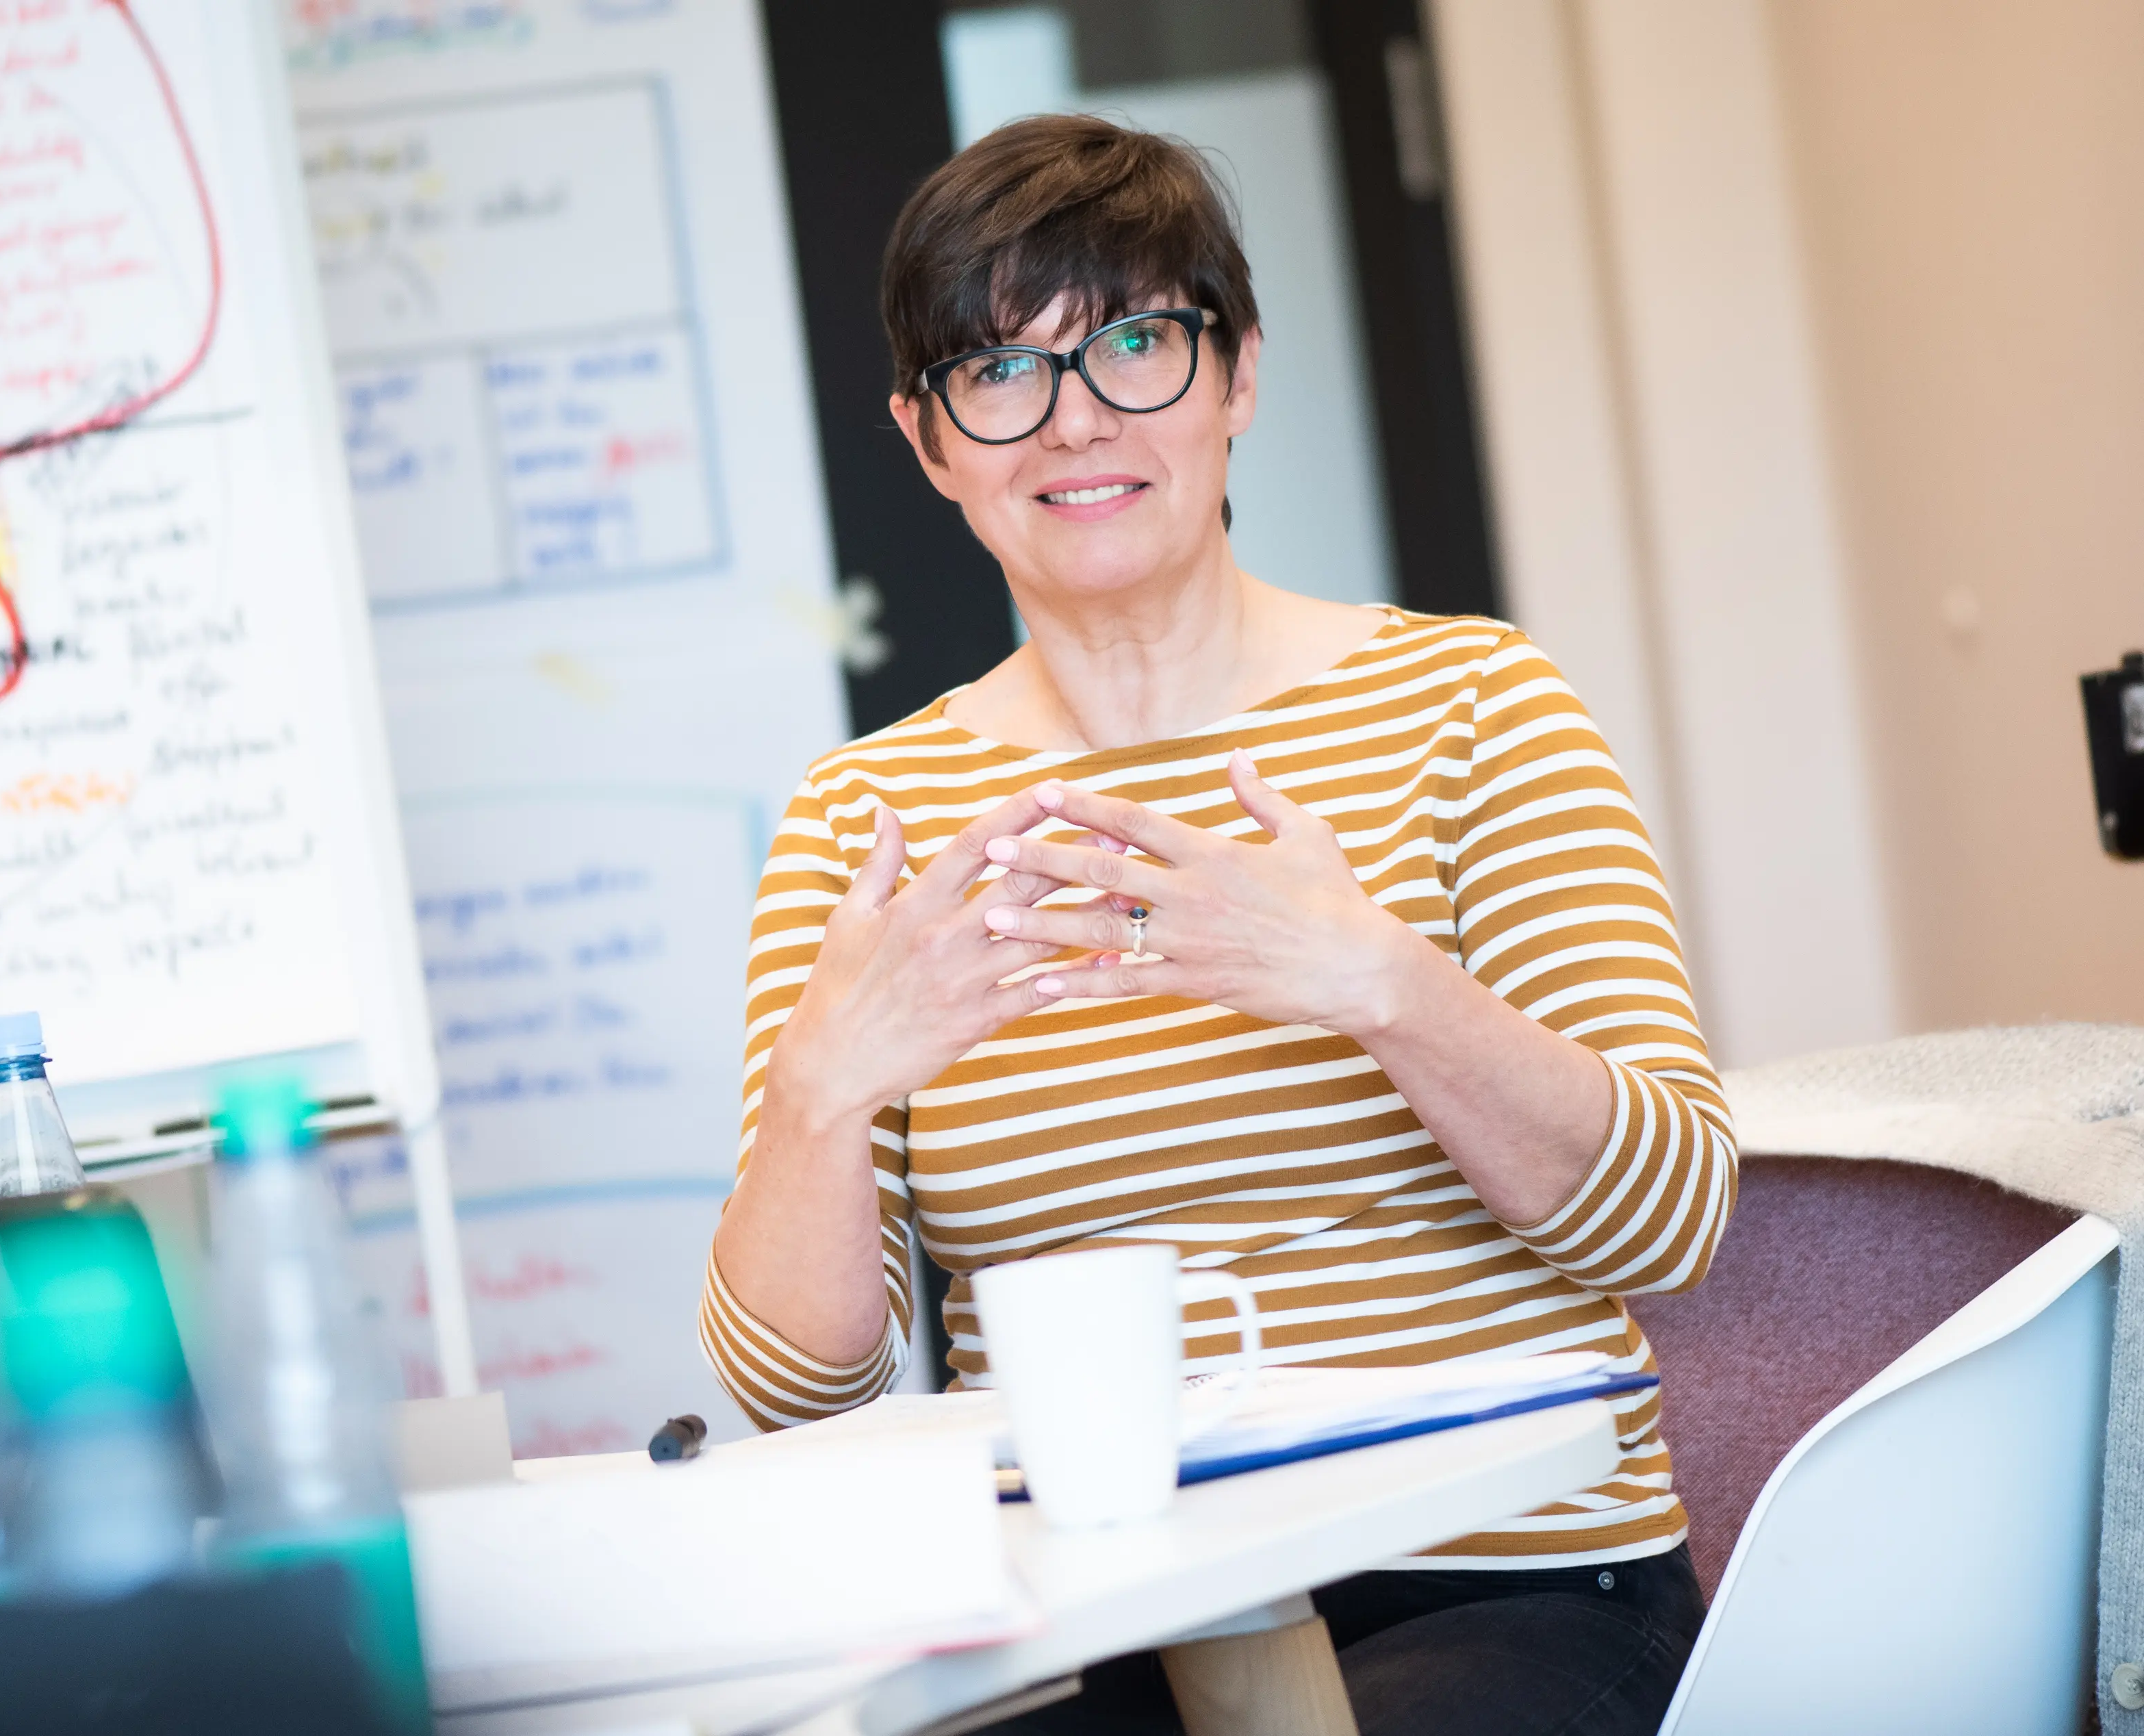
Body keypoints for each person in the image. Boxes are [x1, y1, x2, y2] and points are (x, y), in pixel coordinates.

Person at [699, 115, 1732, 1736]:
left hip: (1497, 1577)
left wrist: (1382, 985)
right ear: (927, 440)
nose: (1074, 420)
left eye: (1134, 343)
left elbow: (1664, 1227)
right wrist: (825, 1093)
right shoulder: (864, 826)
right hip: (1077, 1608)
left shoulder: (1476, 707)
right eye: (998, 371)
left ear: (1237, 375)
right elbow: (795, 1389)